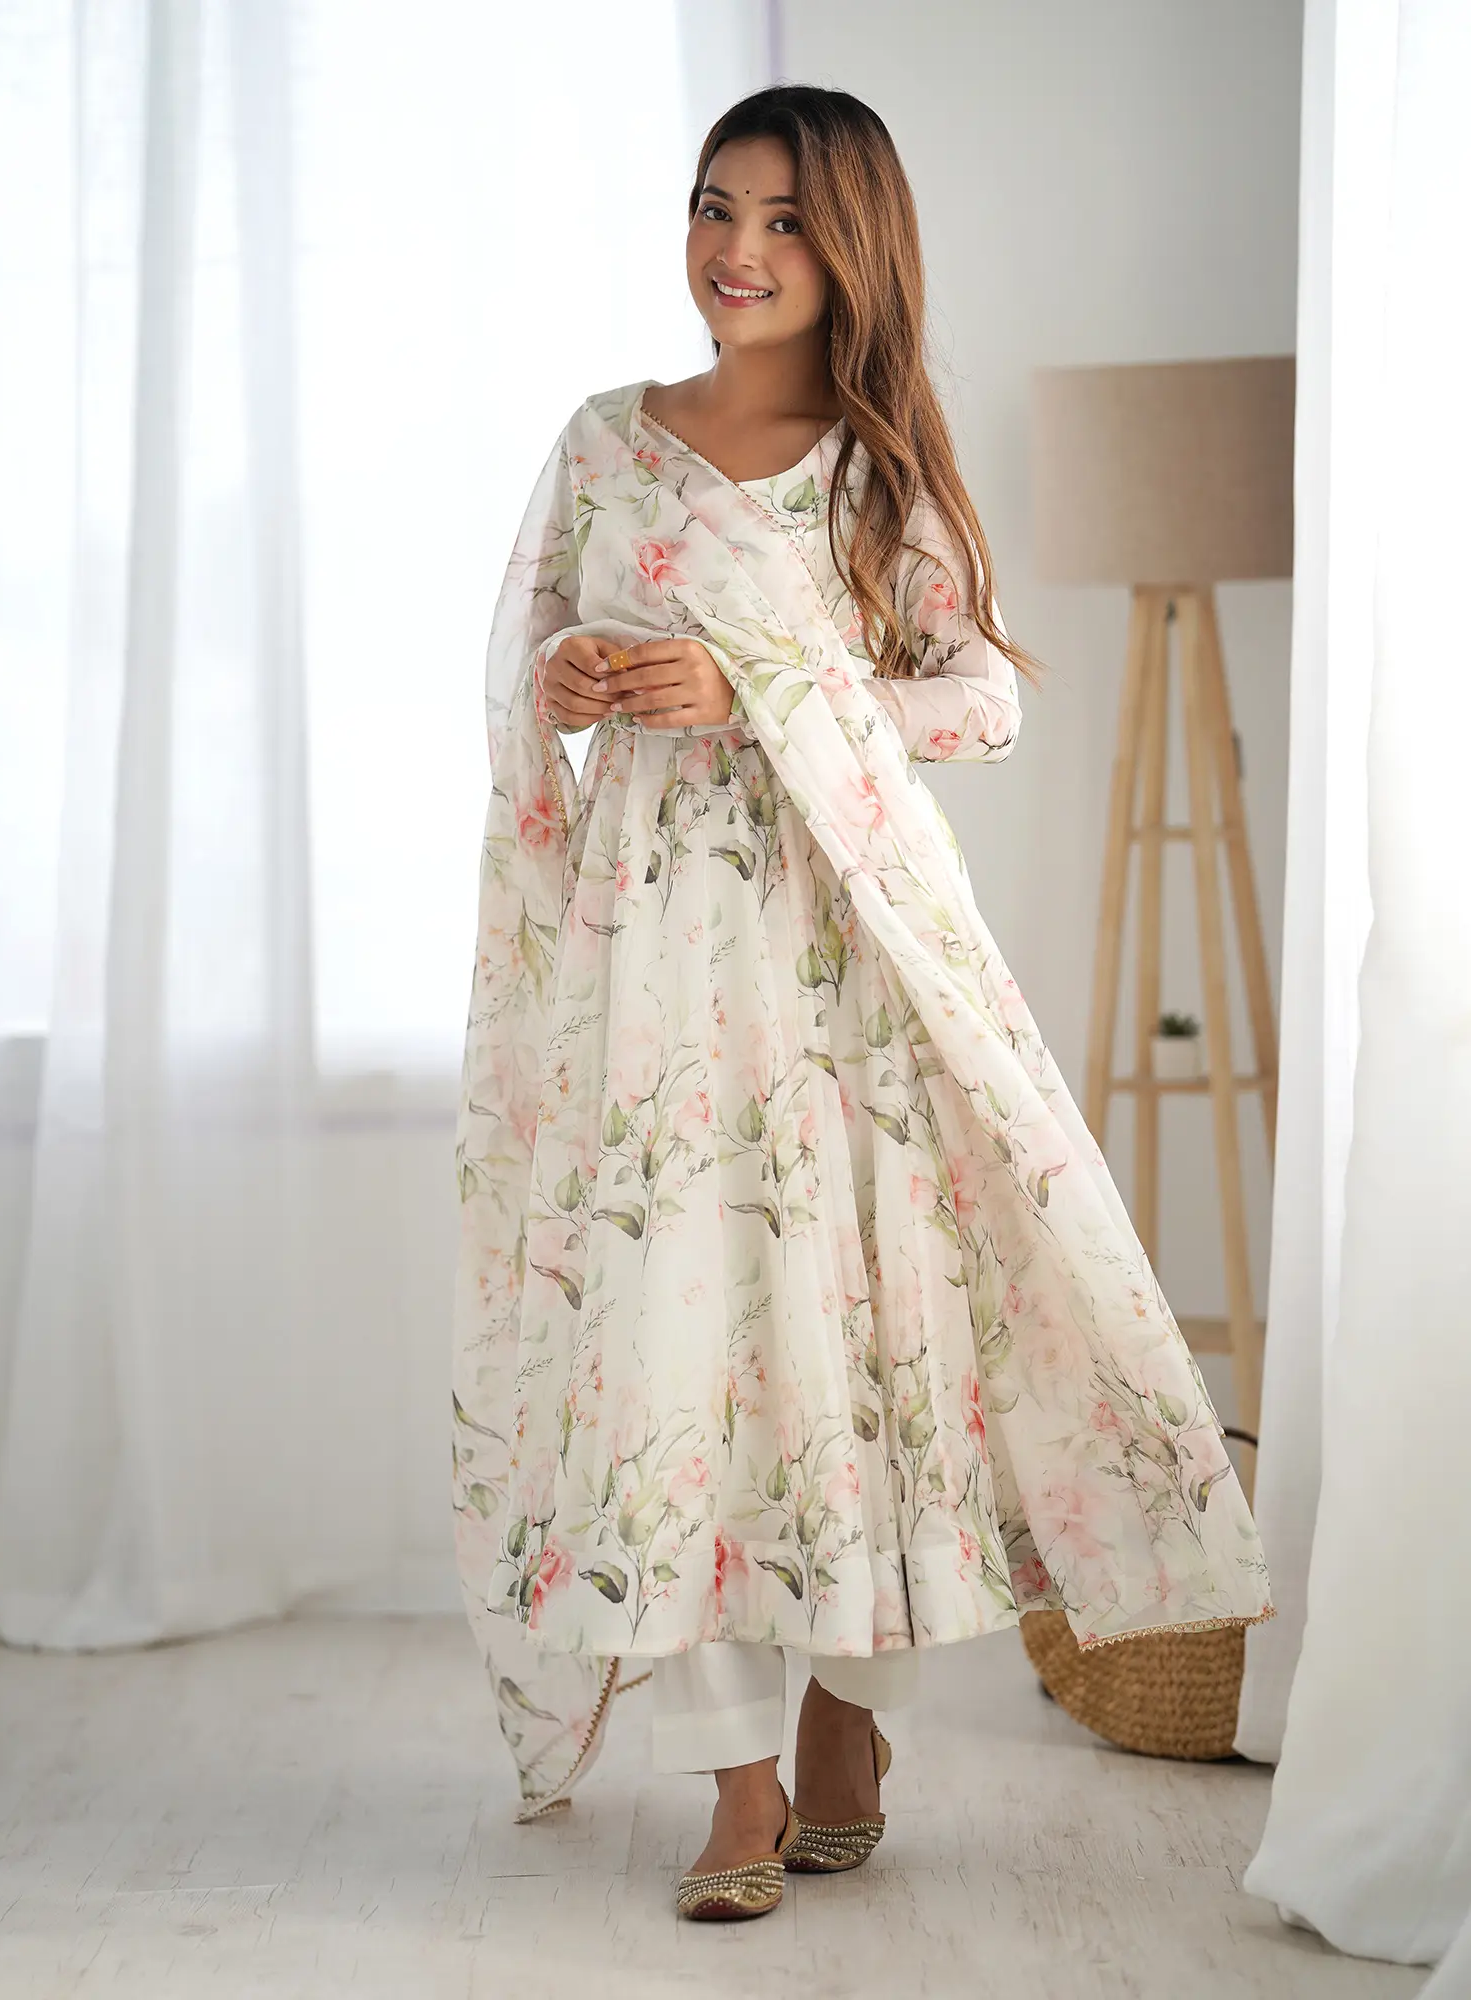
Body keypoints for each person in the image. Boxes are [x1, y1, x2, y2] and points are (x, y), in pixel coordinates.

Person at [452, 84, 1272, 1923]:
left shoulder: (874, 470)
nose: (736, 251)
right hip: (649, 990)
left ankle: (848, 1714)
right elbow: (527, 655)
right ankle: (732, 1779)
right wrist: (572, 675)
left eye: (783, 221)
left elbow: (980, 702)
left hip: (840, 981)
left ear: (850, 250)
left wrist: (756, 689)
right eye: (713, 207)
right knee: (666, 1359)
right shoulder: (605, 442)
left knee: (845, 1357)